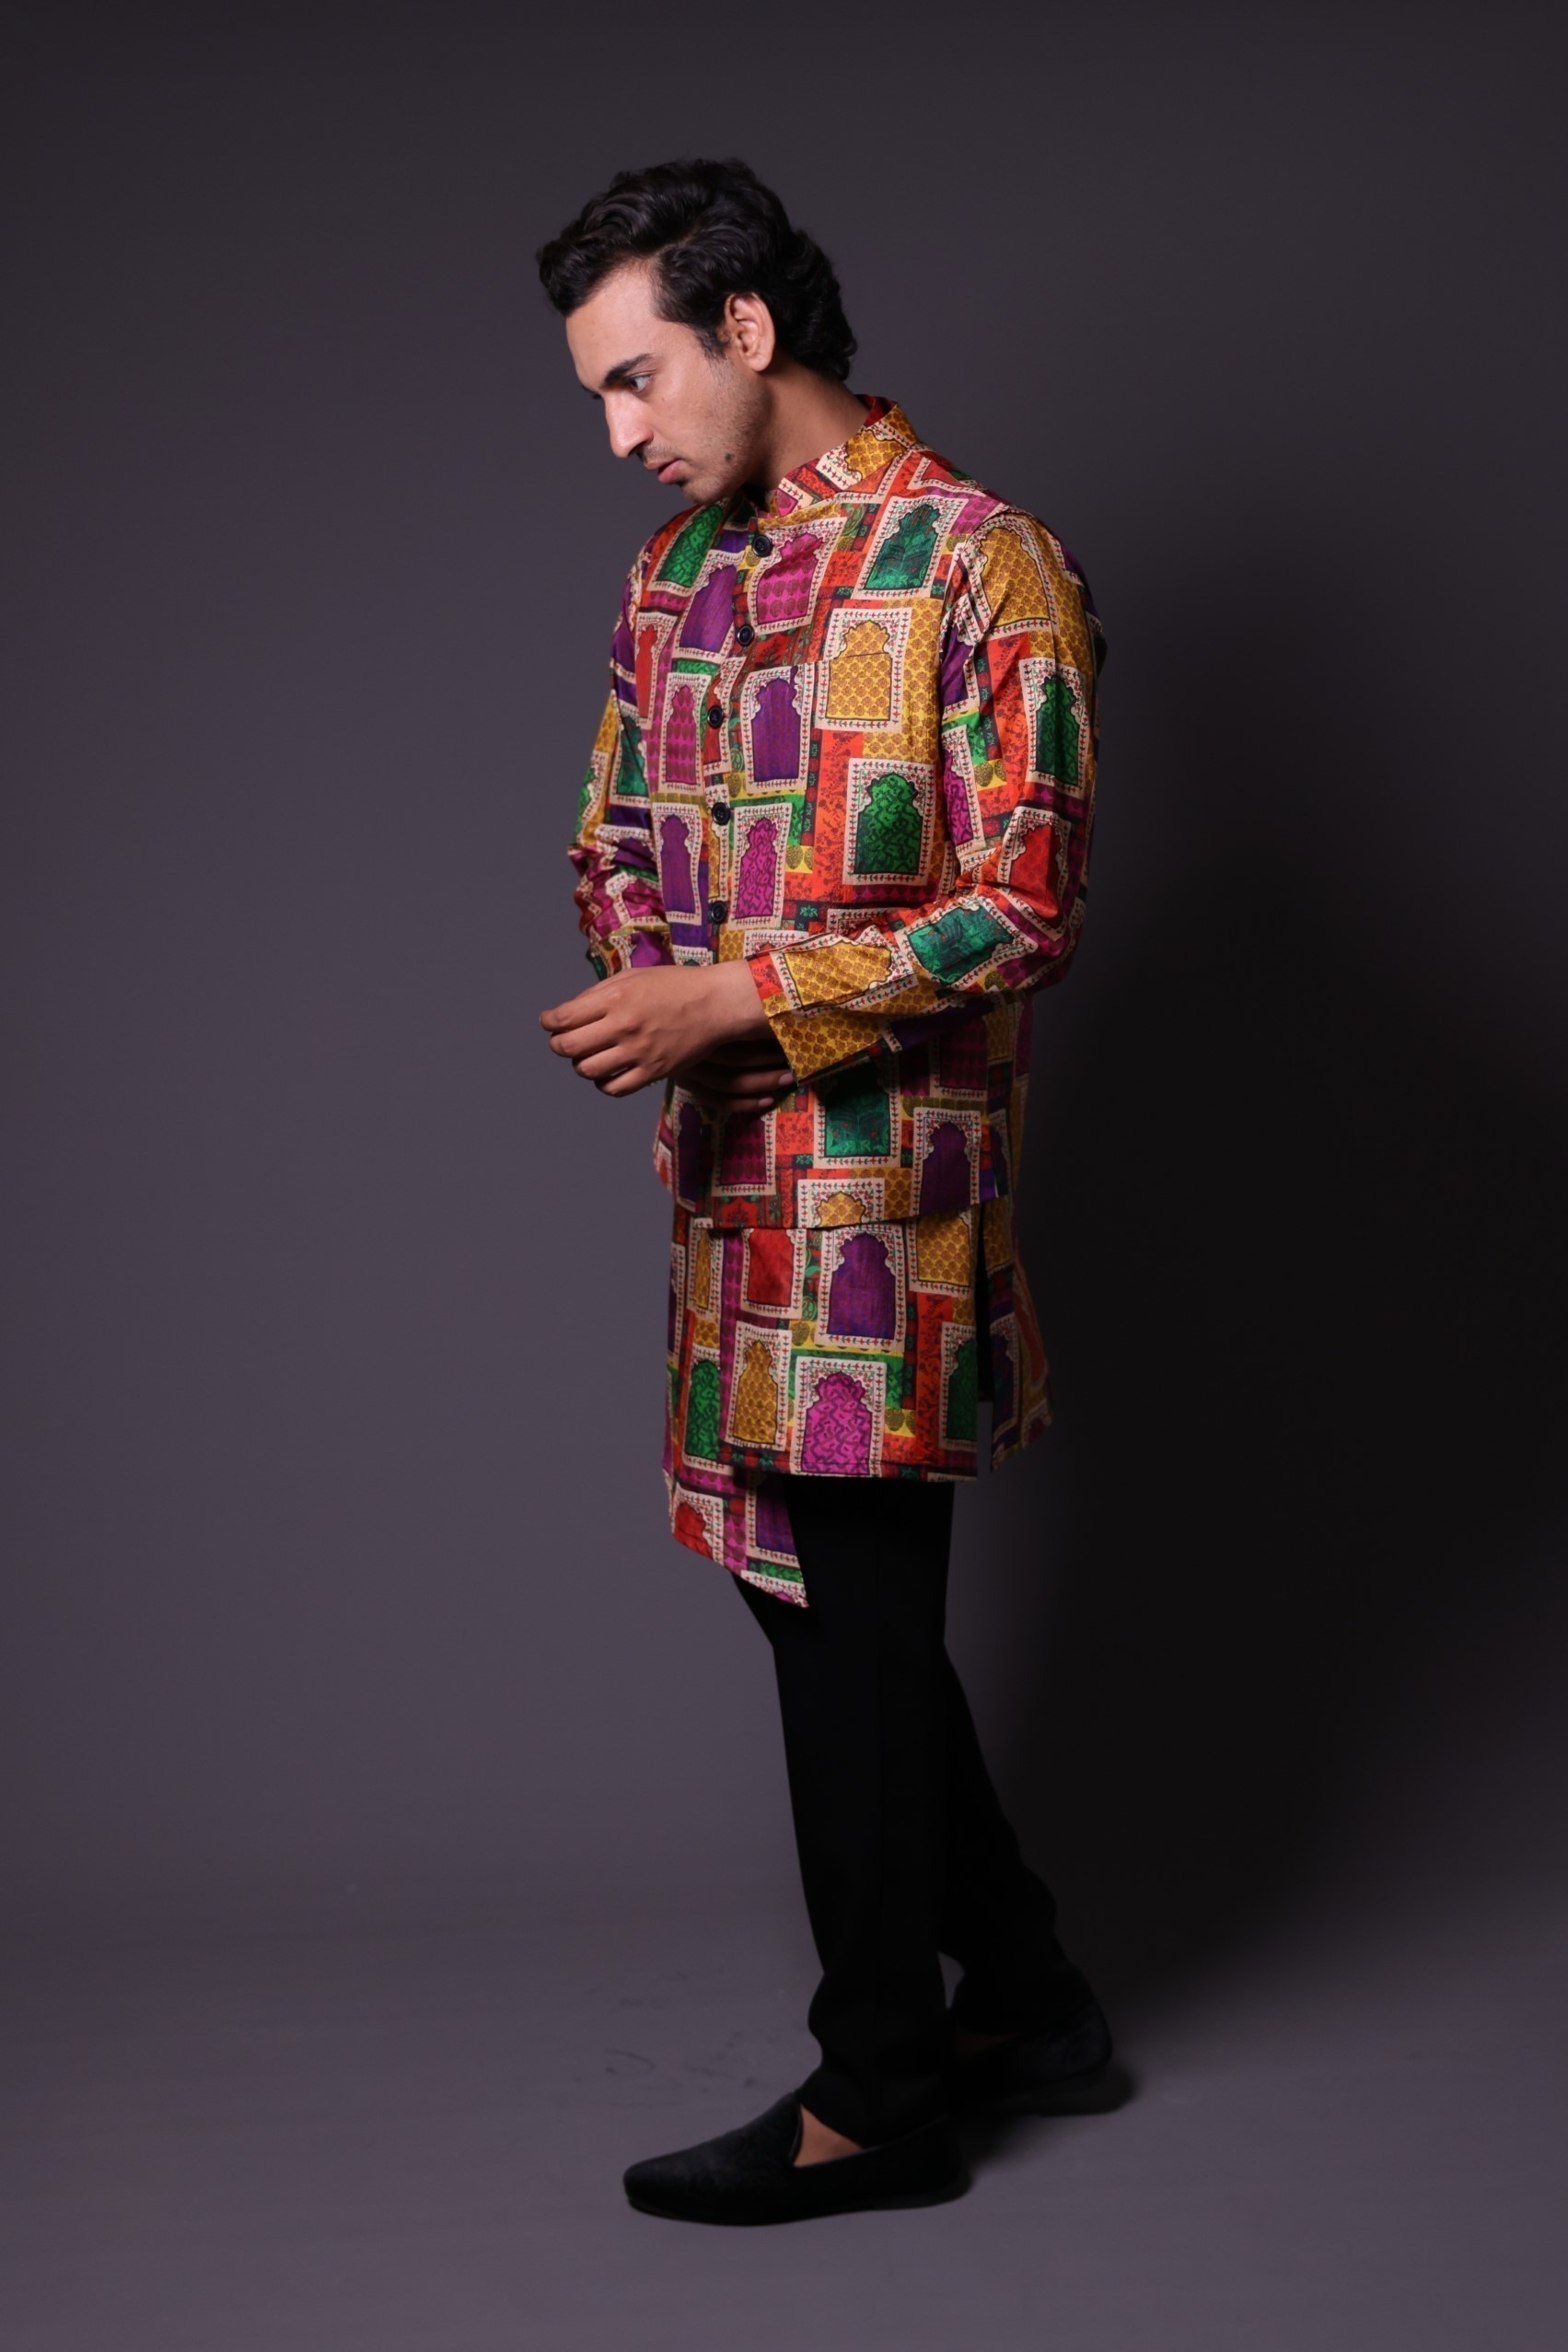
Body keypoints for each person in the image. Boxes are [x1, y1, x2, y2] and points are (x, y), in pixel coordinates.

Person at [536, 158, 1111, 2226]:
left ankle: (880, 2092)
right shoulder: (672, 580)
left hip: (889, 1214)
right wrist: (653, 980)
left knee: (846, 1632)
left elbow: (1022, 904)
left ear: (750, 329)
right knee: (826, 1618)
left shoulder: (981, 562)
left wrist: (739, 995)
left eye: (636, 378)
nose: (620, 432)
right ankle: (1027, 1992)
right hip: (727, 1189)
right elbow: (613, 829)